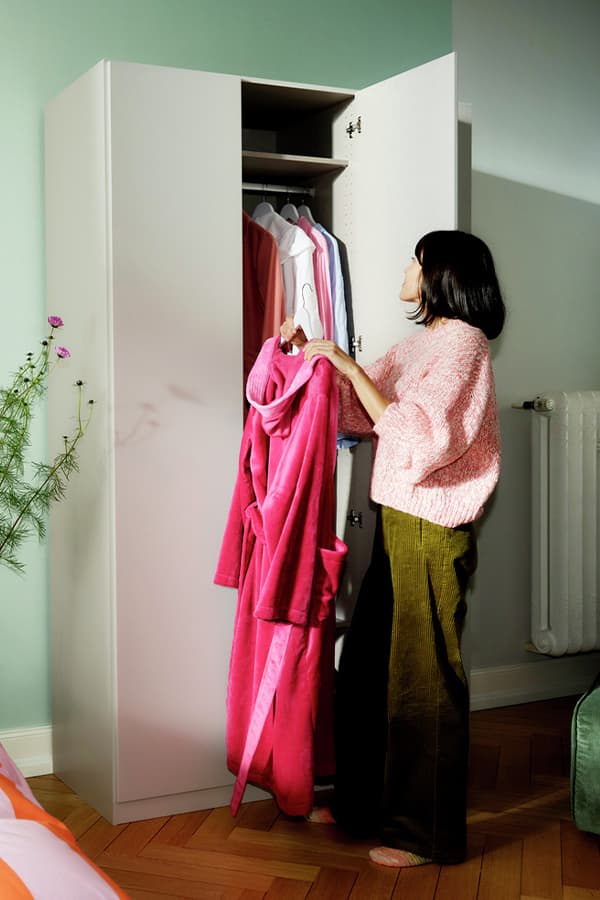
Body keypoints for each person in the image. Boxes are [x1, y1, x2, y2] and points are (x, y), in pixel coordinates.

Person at [280, 229, 506, 868]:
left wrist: (351, 367)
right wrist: (312, 357)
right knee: (372, 663)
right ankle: (359, 804)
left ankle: (423, 835)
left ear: (441, 274)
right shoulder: (424, 344)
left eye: (417, 259)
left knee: (422, 680)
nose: (408, 268)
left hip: (432, 530)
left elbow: (420, 438)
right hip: (398, 519)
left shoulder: (464, 347)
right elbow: (358, 411)